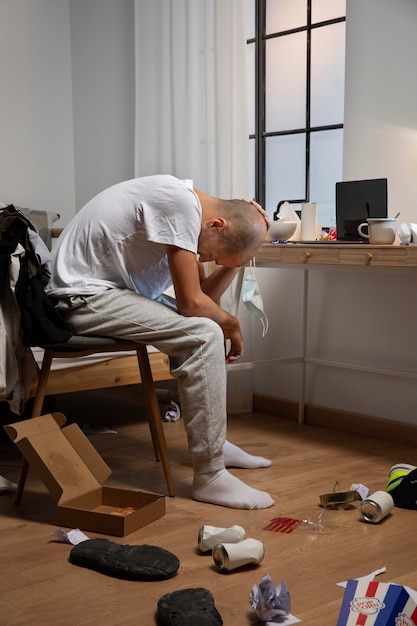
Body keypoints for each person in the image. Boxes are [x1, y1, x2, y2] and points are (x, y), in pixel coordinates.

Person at [46, 174, 275, 510]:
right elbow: (192, 305)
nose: (207, 258)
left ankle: (216, 445)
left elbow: (203, 298)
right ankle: (210, 475)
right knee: (205, 335)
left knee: (204, 329)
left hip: (106, 293)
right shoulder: (178, 203)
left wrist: (241, 253)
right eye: (212, 254)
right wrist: (233, 324)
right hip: (78, 297)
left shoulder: (193, 216)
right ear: (216, 224)